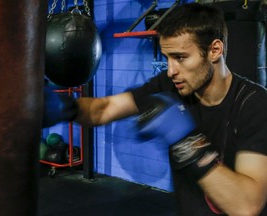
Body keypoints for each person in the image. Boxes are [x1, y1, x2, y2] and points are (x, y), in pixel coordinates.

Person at [43, 2, 267, 215]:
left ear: (215, 50)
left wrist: (186, 141)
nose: (171, 70)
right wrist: (63, 108)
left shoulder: (254, 105)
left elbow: (246, 206)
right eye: (167, 58)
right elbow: (104, 109)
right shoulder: (170, 86)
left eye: (180, 58)